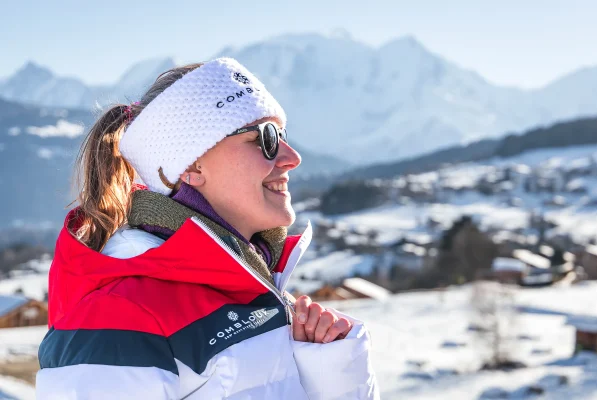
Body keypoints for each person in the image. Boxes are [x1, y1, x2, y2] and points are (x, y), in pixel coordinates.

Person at [36, 58, 379, 399]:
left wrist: (331, 371)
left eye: (282, 134)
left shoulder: (261, 294)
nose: (291, 156)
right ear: (192, 165)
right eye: (266, 137)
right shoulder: (119, 317)